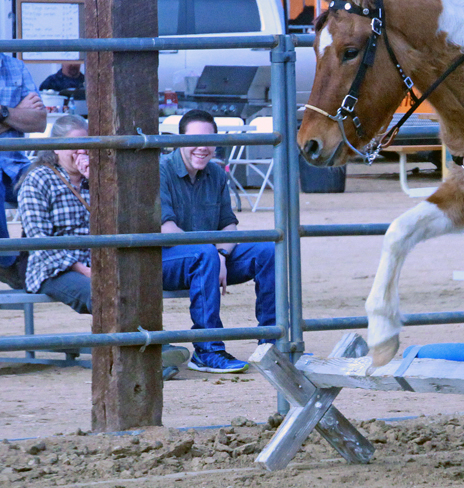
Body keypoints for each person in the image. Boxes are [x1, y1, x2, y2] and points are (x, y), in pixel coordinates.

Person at [16, 115, 189, 376]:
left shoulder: (97, 178)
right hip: (54, 268)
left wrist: (98, 184)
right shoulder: (38, 179)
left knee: (136, 283)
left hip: (100, 263)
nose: (83, 150)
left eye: (87, 143)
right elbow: (39, 239)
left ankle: (150, 353)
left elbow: (121, 224)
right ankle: (153, 354)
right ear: (56, 147)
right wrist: (84, 270)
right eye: (75, 145)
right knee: (102, 292)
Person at [160, 109, 276, 373]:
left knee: (269, 250)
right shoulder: (160, 170)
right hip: (165, 261)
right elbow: (167, 230)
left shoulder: (217, 173)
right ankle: (207, 350)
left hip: (210, 258)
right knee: (204, 254)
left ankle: (272, 344)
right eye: (195, 140)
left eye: (209, 140)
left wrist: (221, 255)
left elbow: (229, 224)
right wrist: (212, 253)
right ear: (179, 140)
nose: (203, 147)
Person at [0, 52, 47, 289]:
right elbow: (29, 118)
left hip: (16, 164)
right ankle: (6, 262)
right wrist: (17, 112)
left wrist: (4, 112)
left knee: (47, 179)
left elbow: (39, 121)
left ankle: (33, 260)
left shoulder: (15, 66)